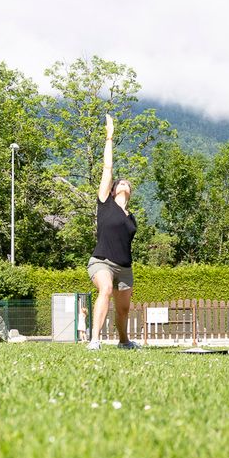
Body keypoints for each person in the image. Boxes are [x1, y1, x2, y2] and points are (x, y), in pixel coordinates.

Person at [86, 114, 139, 351]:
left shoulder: (131, 218)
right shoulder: (105, 202)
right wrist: (109, 137)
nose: (124, 184)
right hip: (101, 262)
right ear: (114, 188)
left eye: (128, 184)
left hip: (125, 268)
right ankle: (95, 340)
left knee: (123, 309)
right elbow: (108, 168)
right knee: (105, 289)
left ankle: (123, 341)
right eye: (121, 182)